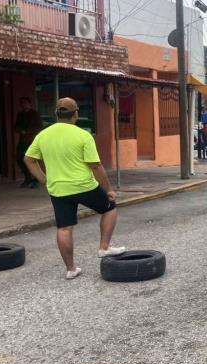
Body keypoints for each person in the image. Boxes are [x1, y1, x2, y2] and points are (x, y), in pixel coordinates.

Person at [24, 98, 125, 279]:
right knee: (110, 209)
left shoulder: (43, 135)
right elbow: (95, 166)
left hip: (58, 190)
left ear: (56, 114)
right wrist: (109, 189)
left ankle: (70, 269)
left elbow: (29, 160)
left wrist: (43, 179)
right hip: (84, 186)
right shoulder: (83, 135)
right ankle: (104, 247)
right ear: (76, 114)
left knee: (64, 228)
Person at [15, 97, 43, 188]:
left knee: (33, 159)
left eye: (25, 103)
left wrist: (26, 131)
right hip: (23, 140)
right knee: (19, 158)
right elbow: (16, 126)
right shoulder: (20, 115)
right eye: (22, 103)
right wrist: (20, 130)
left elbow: (39, 127)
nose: (24, 105)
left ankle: (36, 180)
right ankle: (28, 178)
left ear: (29, 104)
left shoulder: (35, 114)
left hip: (32, 140)